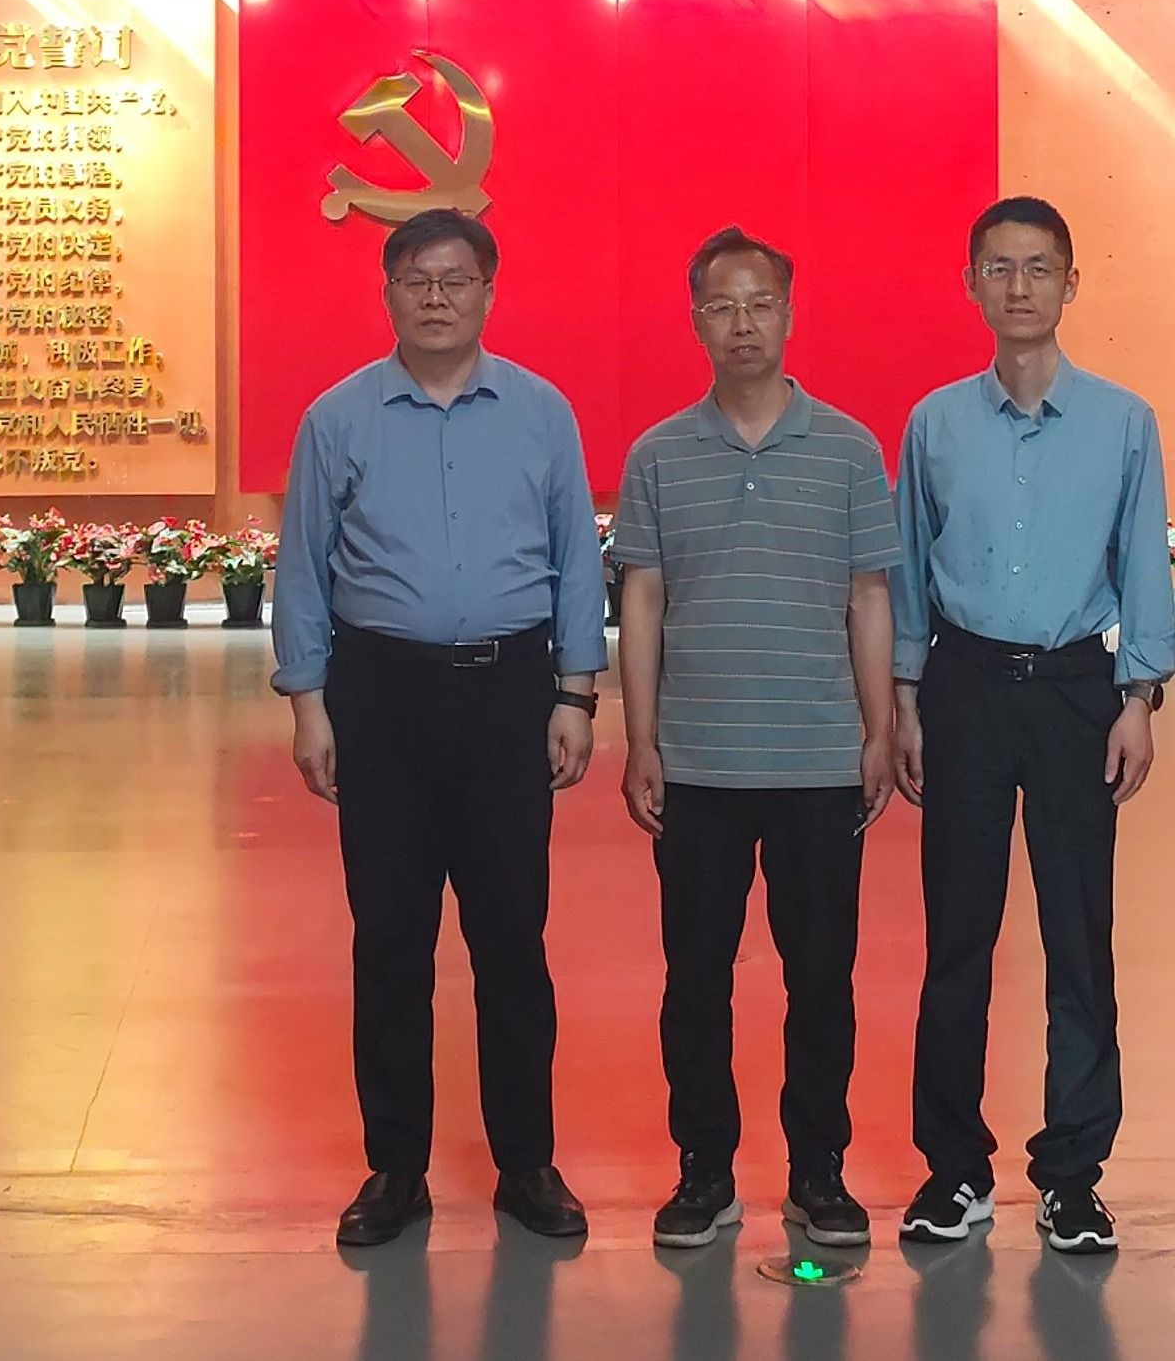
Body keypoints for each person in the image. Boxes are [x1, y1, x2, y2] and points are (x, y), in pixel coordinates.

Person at [275, 206, 602, 1252]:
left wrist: (576, 694)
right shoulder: (338, 418)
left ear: (488, 292)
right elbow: (302, 565)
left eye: (456, 279)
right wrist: (309, 702)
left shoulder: (542, 411)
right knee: (390, 940)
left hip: (509, 695)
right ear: (387, 293)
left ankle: (527, 1164)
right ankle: (396, 1168)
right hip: (381, 699)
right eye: (415, 278)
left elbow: (576, 557)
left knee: (512, 940)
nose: (435, 296)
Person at [892, 195, 1174, 1257]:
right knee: (957, 936)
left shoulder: (1123, 422)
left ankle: (1072, 1178)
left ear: (1070, 283)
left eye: (1039, 267)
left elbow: (1141, 561)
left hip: (1073, 695)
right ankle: (953, 1171)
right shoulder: (934, 423)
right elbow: (908, 569)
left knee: (1077, 936)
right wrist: (906, 698)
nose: (1019, 286)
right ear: (971, 284)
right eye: (999, 267)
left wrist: (1138, 697)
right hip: (962, 686)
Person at [610, 226, 896, 1253]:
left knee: (821, 978)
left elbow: (870, 598)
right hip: (697, 762)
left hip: (818, 758)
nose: (743, 323)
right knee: (696, 979)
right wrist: (641, 738)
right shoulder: (657, 454)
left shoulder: (851, 449)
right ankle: (705, 1170)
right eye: (722, 305)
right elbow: (643, 599)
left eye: (760, 303)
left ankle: (819, 1171)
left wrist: (879, 729)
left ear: (789, 313)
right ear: (695, 320)